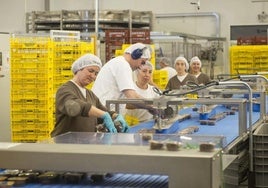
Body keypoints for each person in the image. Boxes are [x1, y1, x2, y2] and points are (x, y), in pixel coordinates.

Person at [50, 53, 129, 137]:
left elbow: (103, 111)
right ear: (79, 69)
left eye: (96, 73)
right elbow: (75, 106)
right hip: (64, 144)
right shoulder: (65, 89)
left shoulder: (90, 94)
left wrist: (116, 116)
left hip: (85, 143)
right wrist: (103, 115)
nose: (93, 76)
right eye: (90, 71)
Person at [92, 43, 153, 112]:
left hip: (105, 111)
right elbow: (132, 97)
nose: (140, 66)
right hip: (103, 112)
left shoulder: (119, 63)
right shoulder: (123, 65)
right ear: (135, 55)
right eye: (142, 62)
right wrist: (151, 107)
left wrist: (150, 105)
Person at [124, 61, 160, 125]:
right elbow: (125, 104)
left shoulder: (154, 90)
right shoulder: (130, 88)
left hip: (149, 124)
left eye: (150, 72)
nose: (147, 74)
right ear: (137, 72)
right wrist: (146, 106)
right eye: (144, 71)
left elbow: (161, 103)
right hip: (131, 124)